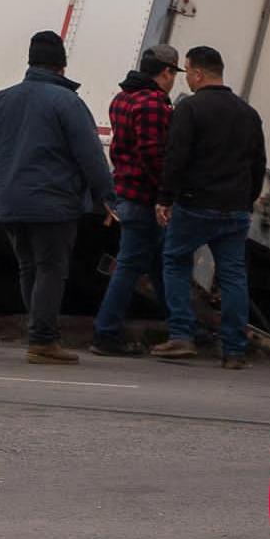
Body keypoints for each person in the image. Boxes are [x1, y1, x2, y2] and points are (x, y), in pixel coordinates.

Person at [0, 28, 116, 365]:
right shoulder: (68, 102)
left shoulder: (1, 100)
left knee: (28, 268)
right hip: (53, 203)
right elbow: (90, 156)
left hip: (10, 201)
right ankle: (42, 340)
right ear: (61, 67)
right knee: (51, 269)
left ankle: (38, 333)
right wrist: (108, 197)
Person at [155, 45, 268, 368]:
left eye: (187, 71)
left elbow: (176, 158)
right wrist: (247, 199)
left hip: (195, 205)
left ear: (199, 73)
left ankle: (181, 335)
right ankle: (234, 349)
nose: (186, 78)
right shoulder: (248, 113)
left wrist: (165, 198)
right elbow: (258, 163)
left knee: (175, 261)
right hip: (234, 209)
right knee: (233, 276)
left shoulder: (189, 109)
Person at [87, 50, 178, 357]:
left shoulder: (122, 99)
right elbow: (153, 154)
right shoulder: (152, 103)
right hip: (145, 197)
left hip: (126, 191)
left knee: (158, 264)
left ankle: (182, 327)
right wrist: (166, 193)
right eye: (173, 74)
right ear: (165, 72)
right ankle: (105, 333)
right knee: (130, 266)